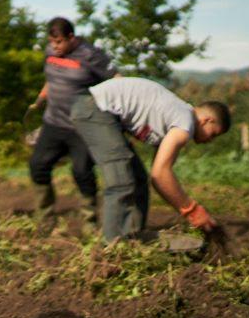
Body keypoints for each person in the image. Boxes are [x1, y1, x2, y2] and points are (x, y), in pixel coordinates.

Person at [68, 77, 229, 243]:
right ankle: (112, 248)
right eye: (213, 134)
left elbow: (159, 179)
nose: (210, 140)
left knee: (138, 179)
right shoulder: (184, 123)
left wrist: (187, 209)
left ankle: (133, 237)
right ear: (207, 120)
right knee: (121, 181)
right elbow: (160, 174)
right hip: (94, 107)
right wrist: (192, 210)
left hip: (97, 109)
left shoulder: (176, 116)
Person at [29, 17, 116, 221]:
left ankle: (89, 221)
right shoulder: (51, 52)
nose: (54, 46)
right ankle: (44, 218)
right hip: (53, 122)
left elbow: (116, 82)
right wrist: (40, 99)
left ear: (71, 37)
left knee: (81, 171)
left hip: (82, 127)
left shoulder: (91, 55)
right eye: (51, 42)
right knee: (37, 165)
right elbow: (52, 78)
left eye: (59, 42)